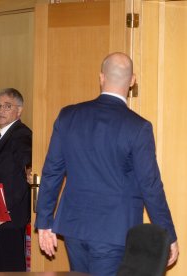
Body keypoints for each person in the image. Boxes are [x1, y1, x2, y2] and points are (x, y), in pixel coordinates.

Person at [35, 52, 179, 276]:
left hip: (73, 228)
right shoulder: (138, 127)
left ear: (101, 77)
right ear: (132, 80)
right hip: (114, 231)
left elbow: (52, 172)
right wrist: (168, 234)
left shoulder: (69, 116)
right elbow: (150, 186)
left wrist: (44, 221)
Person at [0, 88, 32, 272]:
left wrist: (4, 211)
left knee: (12, 269)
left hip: (10, 216)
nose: (1, 111)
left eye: (7, 106)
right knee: (0, 268)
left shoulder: (21, 134)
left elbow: (26, 170)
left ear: (19, 110)